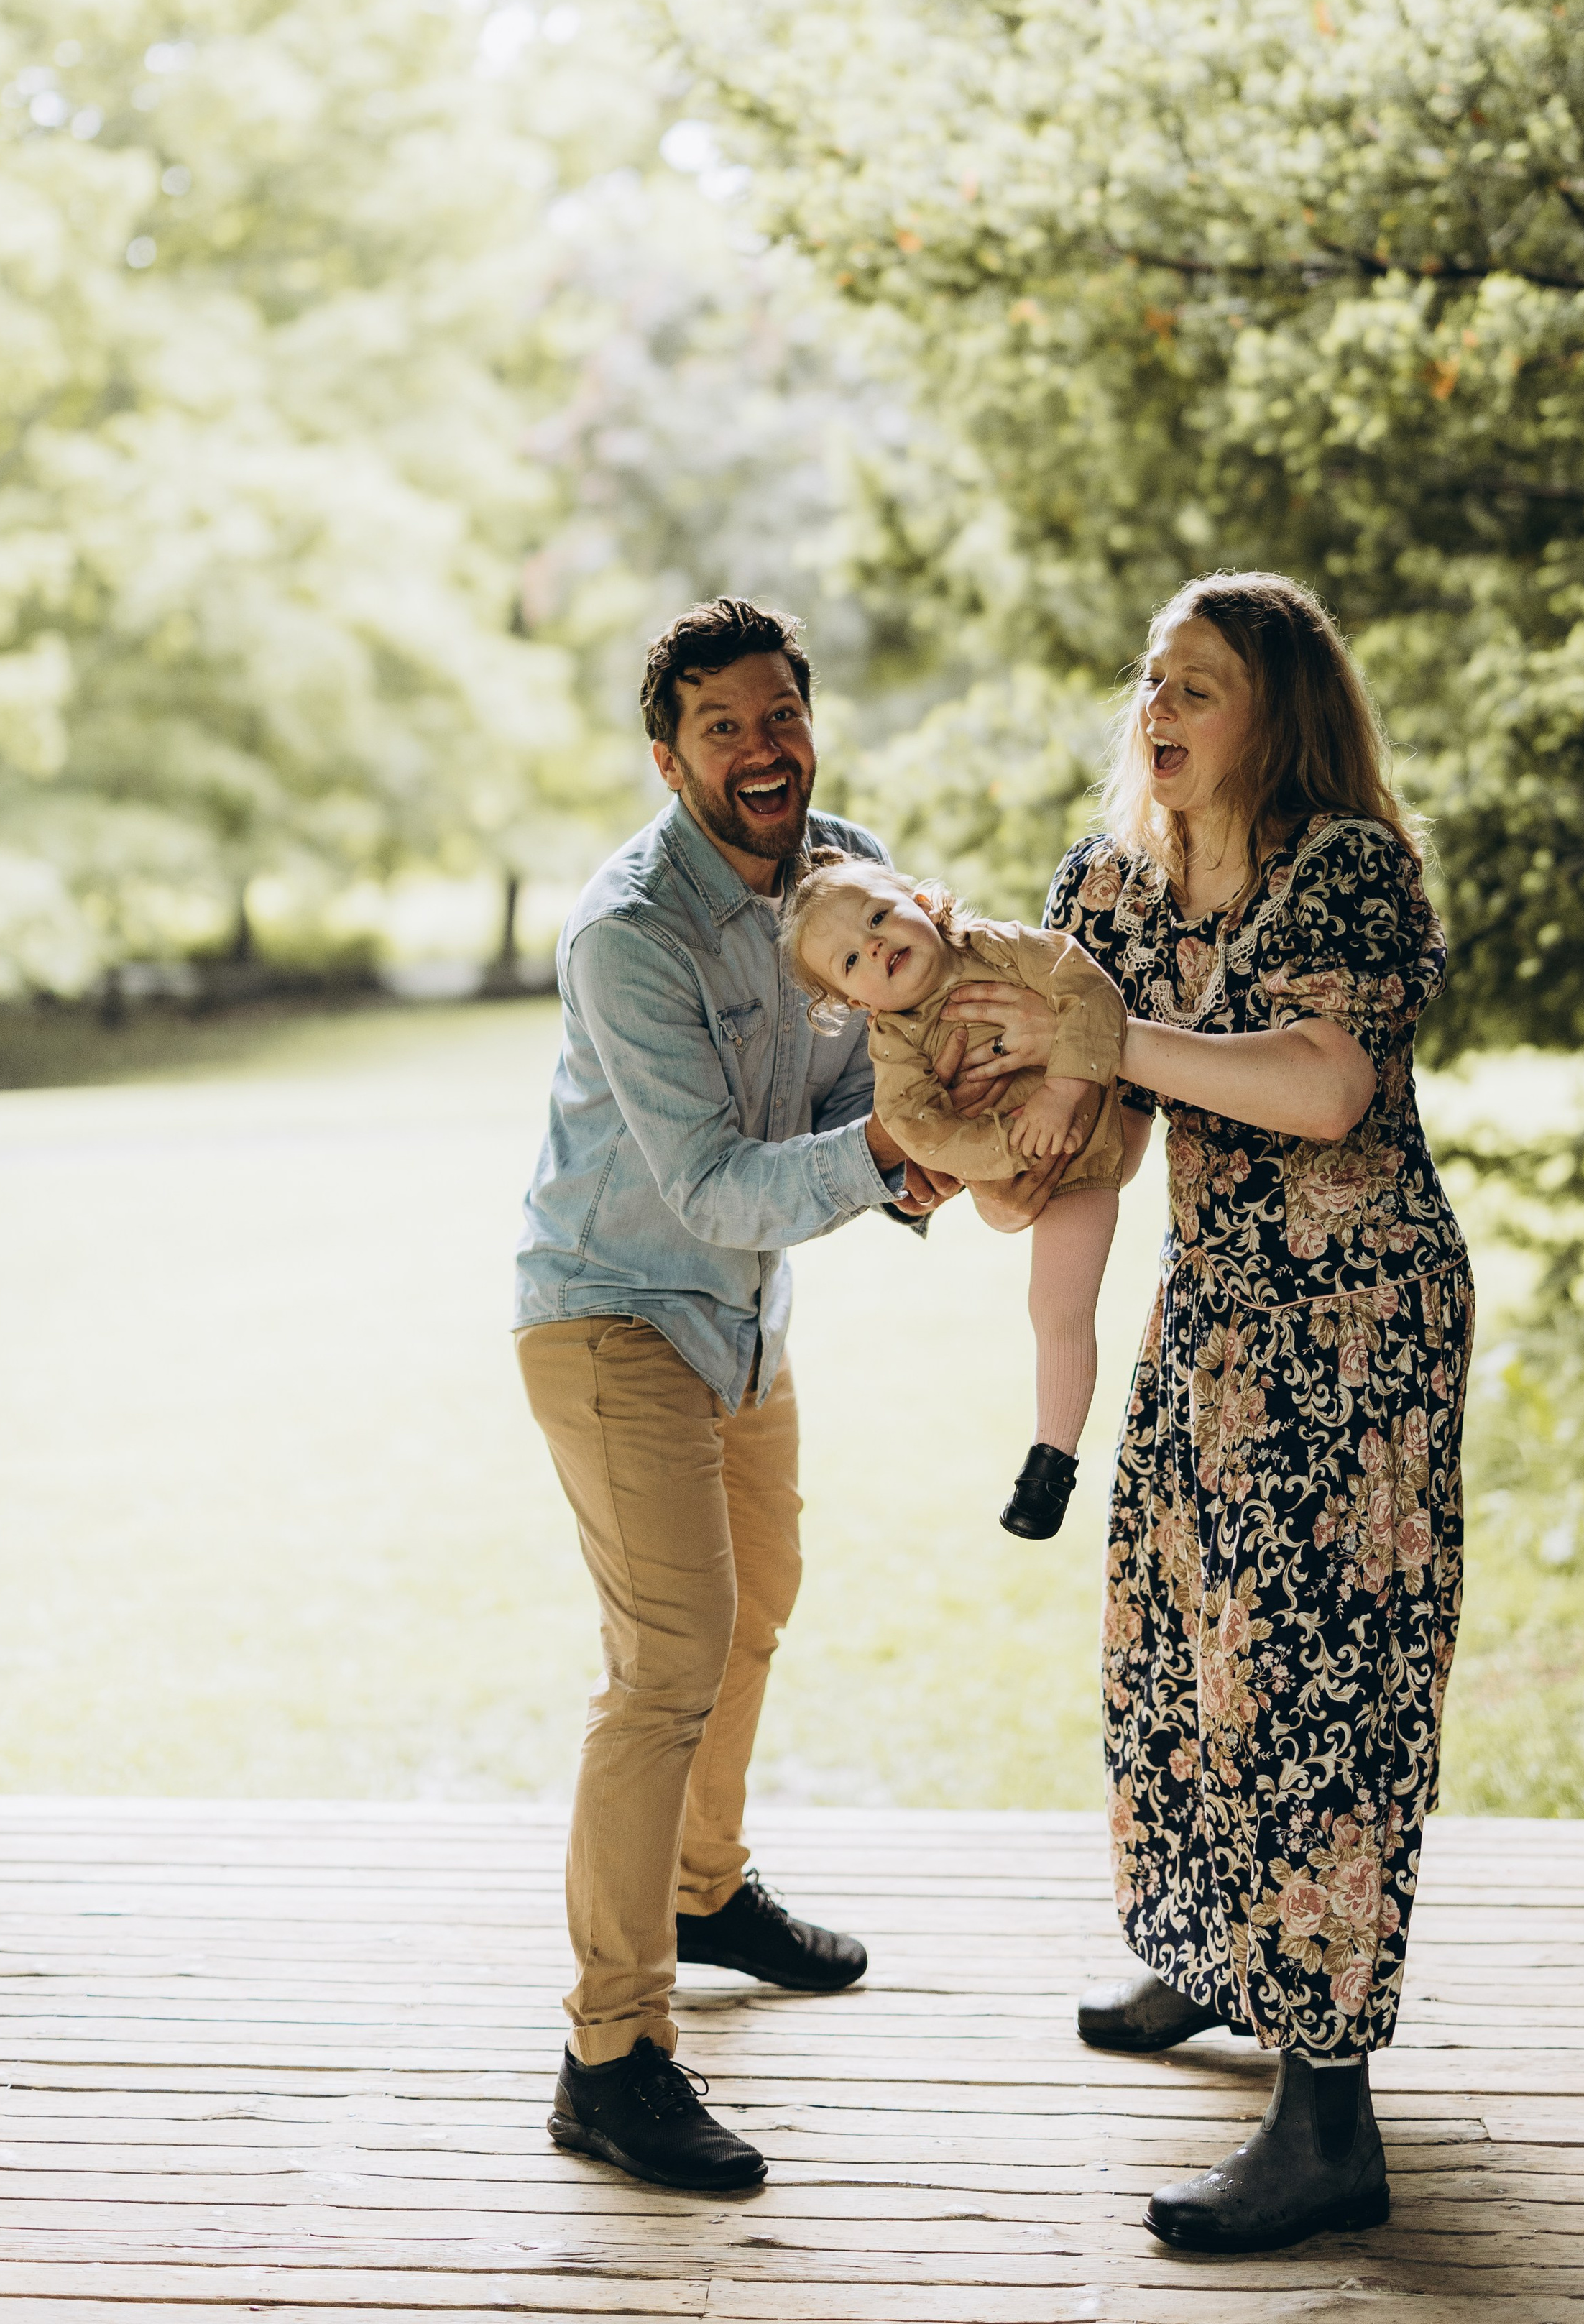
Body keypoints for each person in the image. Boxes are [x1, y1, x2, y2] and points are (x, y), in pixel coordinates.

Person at [947, 570, 1473, 2256]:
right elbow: (1082, 1114)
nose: (1155, 711)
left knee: (1318, 1685)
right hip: (1214, 1312)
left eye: (1195, 684)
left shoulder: (1347, 869)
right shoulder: (1106, 878)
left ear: (1277, 711)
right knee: (1176, 1645)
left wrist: (1112, 1037)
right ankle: (1207, 1953)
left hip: (1355, 1324)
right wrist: (1001, 1152)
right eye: (1147, 682)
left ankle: (1326, 2121)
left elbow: (1320, 1086)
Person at [512, 595, 964, 2197]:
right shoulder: (626, 928)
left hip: (743, 1321)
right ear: (668, 756)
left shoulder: (846, 865)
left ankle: (706, 1889)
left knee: (756, 1603)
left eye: (780, 714)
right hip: (611, 1309)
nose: (763, 749)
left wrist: (925, 1138)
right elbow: (707, 1183)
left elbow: (856, 1077)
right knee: (666, 1664)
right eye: (724, 727)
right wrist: (897, 1158)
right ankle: (608, 2055)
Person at [781, 849, 1132, 1538]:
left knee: (1064, 1302)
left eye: (879, 916)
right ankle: (1049, 1467)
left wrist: (1064, 1092)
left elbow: (1090, 989)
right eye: (850, 960)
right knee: (1052, 1309)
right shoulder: (896, 1047)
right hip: (1030, 1167)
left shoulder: (998, 948)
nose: (874, 943)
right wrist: (1007, 1146)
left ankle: (1052, 1453)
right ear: (856, 1003)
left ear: (921, 902)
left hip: (1085, 1154)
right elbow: (921, 1130)